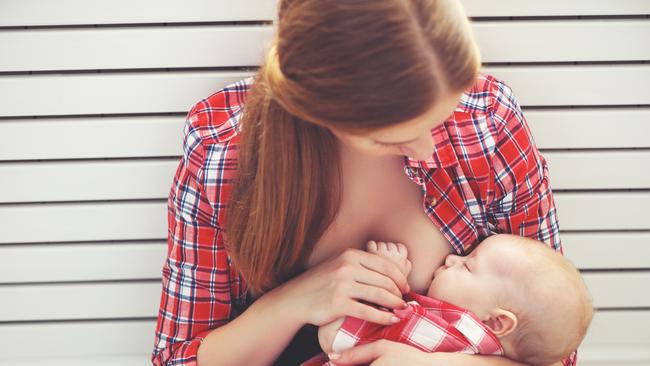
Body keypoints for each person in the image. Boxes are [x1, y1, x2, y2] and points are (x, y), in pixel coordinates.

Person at [151, 0, 579, 365]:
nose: (429, 150)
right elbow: (179, 357)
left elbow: (556, 338)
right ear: (319, 110)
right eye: (392, 137)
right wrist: (297, 300)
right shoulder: (223, 149)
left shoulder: (488, 122)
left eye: (442, 114)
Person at [303, 235, 594, 366]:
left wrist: (388, 284)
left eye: (467, 265)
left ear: (495, 321)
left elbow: (334, 334)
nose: (452, 258)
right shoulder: (480, 351)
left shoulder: (456, 334)